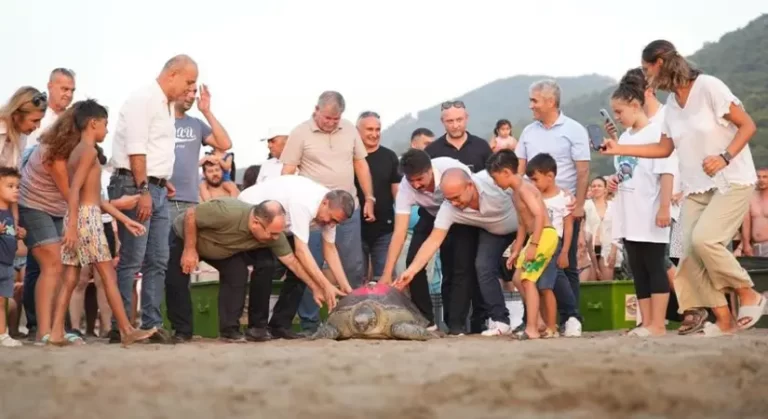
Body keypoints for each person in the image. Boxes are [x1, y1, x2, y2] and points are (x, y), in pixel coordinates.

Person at [601, 40, 764, 336]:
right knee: (686, 254)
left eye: (647, 68)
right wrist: (618, 148)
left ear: (661, 62)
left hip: (732, 181)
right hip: (697, 189)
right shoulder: (673, 106)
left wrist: (724, 157)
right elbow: (664, 149)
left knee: (705, 241)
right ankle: (724, 321)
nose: (646, 77)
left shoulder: (709, 87)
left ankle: (748, 294)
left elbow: (748, 125)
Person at [108, 54, 198, 343]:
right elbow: (136, 149)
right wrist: (144, 188)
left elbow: (154, 148)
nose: (189, 89)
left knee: (158, 259)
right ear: (172, 74)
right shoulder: (142, 99)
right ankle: (119, 326)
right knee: (132, 260)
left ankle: (152, 324)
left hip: (155, 187)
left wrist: (162, 181)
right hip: (135, 186)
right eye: (189, 81)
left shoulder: (167, 106)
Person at [48, 99, 154, 347]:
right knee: (108, 275)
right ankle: (127, 329)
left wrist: (126, 220)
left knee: (72, 278)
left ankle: (55, 333)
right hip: (86, 219)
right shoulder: (88, 152)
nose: (107, 130)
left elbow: (96, 197)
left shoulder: (78, 151)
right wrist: (74, 225)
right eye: (105, 124)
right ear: (93, 123)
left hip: (82, 216)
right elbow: (74, 191)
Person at [165, 198, 326, 342]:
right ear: (256, 223)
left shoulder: (274, 235)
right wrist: (189, 249)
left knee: (238, 273)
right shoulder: (227, 212)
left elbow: (292, 262)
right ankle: (182, 331)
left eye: (279, 233)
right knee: (177, 279)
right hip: (187, 237)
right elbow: (191, 215)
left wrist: (314, 287)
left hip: (223, 249)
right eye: (272, 234)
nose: (276, 239)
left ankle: (229, 330)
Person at [279, 91, 373, 333]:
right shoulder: (300, 132)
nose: (331, 123)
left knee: (353, 265)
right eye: (327, 118)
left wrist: (369, 197)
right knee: (311, 264)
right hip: (312, 211)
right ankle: (311, 323)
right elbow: (288, 171)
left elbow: (360, 164)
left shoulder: (350, 129)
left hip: (348, 207)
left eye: (336, 119)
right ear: (316, 110)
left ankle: (353, 318)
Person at [393, 167, 519, 336]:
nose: (454, 203)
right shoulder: (449, 209)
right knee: (482, 266)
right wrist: (411, 271)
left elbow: (525, 185)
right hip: (494, 233)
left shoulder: (491, 182)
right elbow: (433, 240)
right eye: (448, 199)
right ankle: (501, 321)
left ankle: (559, 317)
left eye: (456, 198)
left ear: (470, 185)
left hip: (525, 226)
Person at [515, 79, 588, 337]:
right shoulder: (528, 132)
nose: (531, 105)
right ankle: (533, 321)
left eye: (534, 100)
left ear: (550, 101)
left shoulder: (574, 129)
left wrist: (578, 204)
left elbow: (582, 171)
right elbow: (520, 169)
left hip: (564, 207)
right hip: (534, 211)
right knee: (533, 267)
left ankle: (572, 318)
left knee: (564, 267)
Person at [239, 176, 352, 340]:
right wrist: (325, 285)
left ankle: (280, 325)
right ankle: (257, 327)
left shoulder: (329, 213)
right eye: (332, 219)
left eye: (336, 222)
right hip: (254, 213)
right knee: (265, 264)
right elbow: (301, 251)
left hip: (283, 226)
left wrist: (346, 289)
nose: (331, 224)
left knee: (303, 270)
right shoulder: (304, 203)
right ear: (325, 202)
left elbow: (330, 249)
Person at [606, 81, 677, 337]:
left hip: (651, 211)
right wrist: (614, 180)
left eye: (619, 111)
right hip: (629, 213)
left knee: (655, 265)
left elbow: (667, 172)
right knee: (637, 268)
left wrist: (664, 207)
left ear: (635, 105)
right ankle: (646, 322)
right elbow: (625, 171)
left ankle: (658, 323)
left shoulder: (658, 133)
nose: (616, 117)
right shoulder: (625, 138)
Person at [379, 150, 472, 331]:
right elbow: (400, 232)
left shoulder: (452, 170)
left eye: (420, 179)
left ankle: (456, 324)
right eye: (411, 180)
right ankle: (426, 320)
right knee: (412, 263)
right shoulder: (406, 187)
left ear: (430, 169)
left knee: (459, 267)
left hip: (461, 215)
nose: (416, 184)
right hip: (430, 216)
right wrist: (386, 273)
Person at [484, 150, 559, 340]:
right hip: (535, 236)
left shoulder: (525, 189)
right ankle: (538, 321)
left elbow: (539, 215)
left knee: (528, 280)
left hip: (544, 236)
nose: (495, 182)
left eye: (495, 178)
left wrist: (533, 244)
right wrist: (516, 249)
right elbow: (522, 224)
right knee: (517, 278)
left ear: (507, 173)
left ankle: (532, 328)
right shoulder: (515, 193)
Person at [169, 83, 232, 224]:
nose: (192, 96)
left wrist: (207, 112)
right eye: (187, 91)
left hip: (190, 201)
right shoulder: (159, 121)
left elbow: (225, 144)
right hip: (163, 199)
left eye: (194, 92)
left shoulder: (196, 124)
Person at [355, 111, 400, 282]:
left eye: (378, 129)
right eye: (369, 129)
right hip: (354, 230)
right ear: (357, 131)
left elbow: (397, 193)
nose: (374, 134)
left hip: (384, 230)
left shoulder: (389, 157)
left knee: (385, 280)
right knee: (355, 280)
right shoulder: (349, 157)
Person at [24, 68, 77, 152]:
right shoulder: (33, 113)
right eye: (65, 89)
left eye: (72, 90)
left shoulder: (74, 120)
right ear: (50, 86)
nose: (69, 95)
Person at [0, 167, 22, 347]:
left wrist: (18, 233)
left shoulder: (9, 214)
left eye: (17, 186)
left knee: (2, 301)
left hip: (8, 263)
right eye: (10, 186)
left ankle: (2, 334)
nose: (15, 190)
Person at [584, 177, 622, 281]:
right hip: (588, 250)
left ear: (605, 189)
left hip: (607, 249)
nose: (596, 188)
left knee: (606, 283)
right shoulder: (586, 206)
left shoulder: (613, 207)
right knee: (591, 285)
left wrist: (614, 251)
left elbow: (617, 230)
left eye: (599, 186)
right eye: (594, 186)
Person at [740, 168, 768, 256]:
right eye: (758, 177)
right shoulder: (750, 198)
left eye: (765, 177)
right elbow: (746, 224)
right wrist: (745, 245)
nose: (761, 180)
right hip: (755, 247)